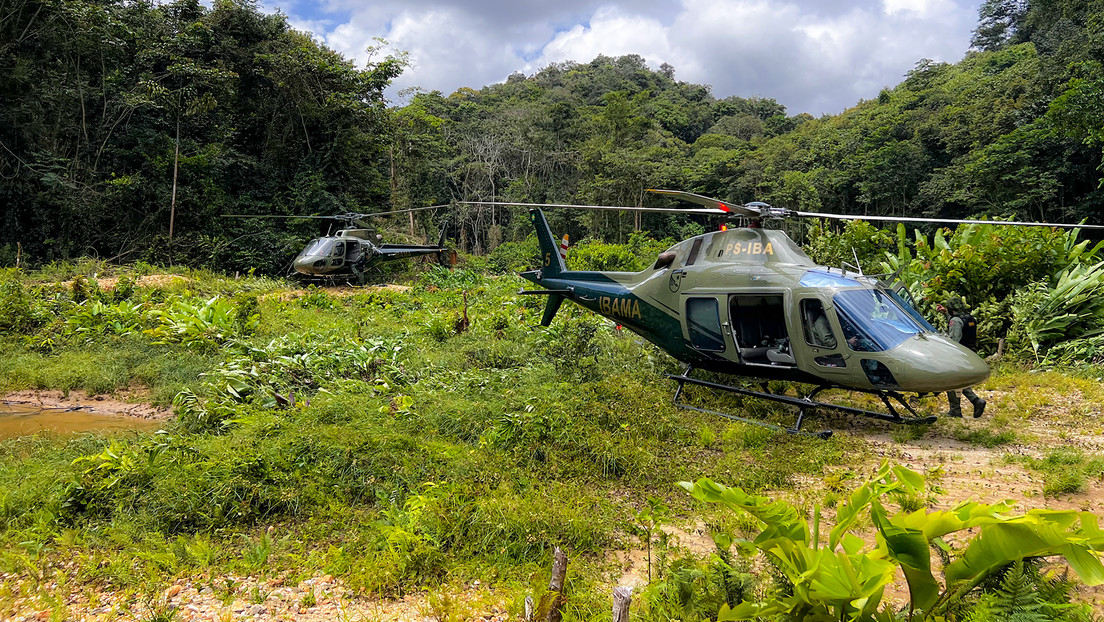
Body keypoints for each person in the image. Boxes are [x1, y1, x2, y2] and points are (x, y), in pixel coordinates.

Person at [937, 296, 986, 418]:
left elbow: (954, 339)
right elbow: (959, 325)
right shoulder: (970, 318)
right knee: (958, 380)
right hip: (970, 352)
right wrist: (945, 314)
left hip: (959, 354)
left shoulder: (955, 321)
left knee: (951, 380)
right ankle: (974, 402)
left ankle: (957, 410)